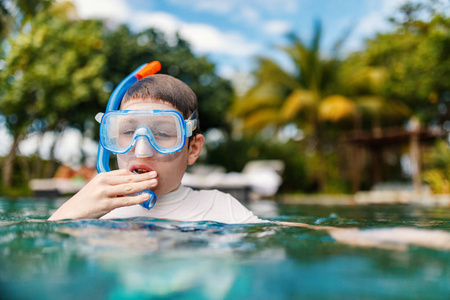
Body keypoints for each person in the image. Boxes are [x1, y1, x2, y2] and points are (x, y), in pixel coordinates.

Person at [49, 67, 262, 223]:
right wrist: (66, 214)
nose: (142, 151)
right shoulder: (94, 211)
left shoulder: (221, 208)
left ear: (193, 149)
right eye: (128, 131)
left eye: (162, 133)